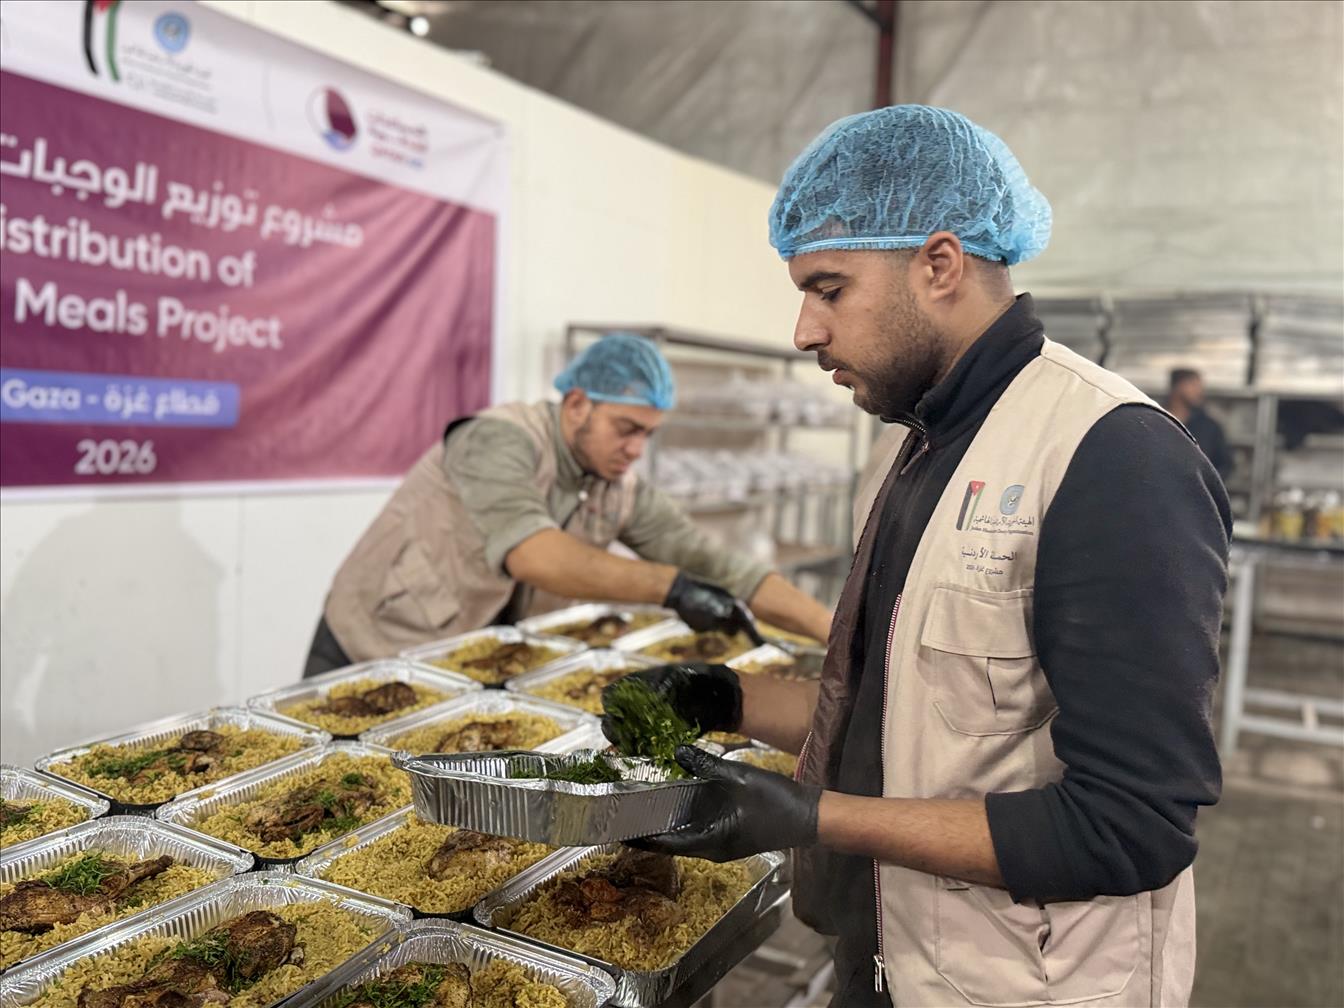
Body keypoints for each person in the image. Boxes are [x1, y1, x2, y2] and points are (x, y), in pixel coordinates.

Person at [605, 106, 1230, 1007]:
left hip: (1022, 984)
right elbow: (897, 715)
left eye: (829, 289)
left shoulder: (1112, 457)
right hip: (887, 956)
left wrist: (814, 816)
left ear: (939, 265)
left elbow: (1131, 827)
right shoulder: (913, 447)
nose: (804, 331)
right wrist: (727, 699)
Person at [306, 333, 833, 676]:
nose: (636, 449)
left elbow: (717, 564)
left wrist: (835, 635)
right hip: (373, 640)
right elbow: (533, 554)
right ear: (578, 404)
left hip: (463, 662)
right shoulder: (497, 439)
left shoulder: (616, 484)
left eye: (648, 435)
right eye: (626, 428)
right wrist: (671, 588)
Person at [1167, 367, 1233, 480]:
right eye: (1193, 385)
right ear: (1178, 387)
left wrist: (1206, 484)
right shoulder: (1157, 420)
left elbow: (1225, 464)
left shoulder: (1209, 427)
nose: (1199, 391)